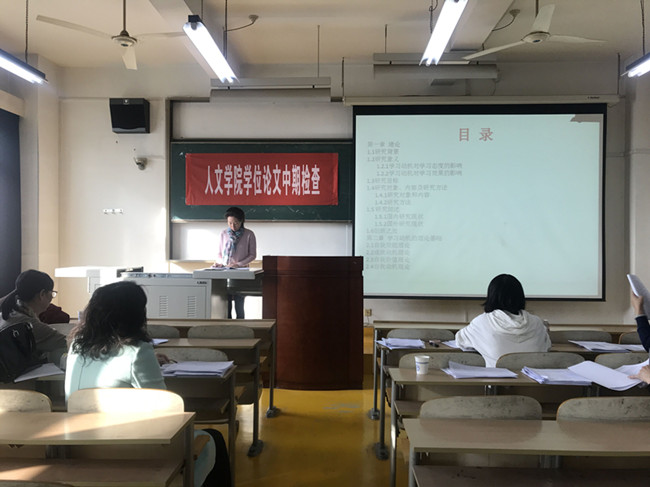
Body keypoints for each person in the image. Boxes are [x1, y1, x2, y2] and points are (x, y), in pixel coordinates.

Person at [65, 281, 231, 487]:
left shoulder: (76, 346)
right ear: (135, 314)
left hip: (82, 445)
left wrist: (150, 360)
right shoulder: (137, 351)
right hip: (131, 446)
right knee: (213, 439)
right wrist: (147, 360)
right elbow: (166, 412)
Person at [455, 274, 551, 367]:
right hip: (531, 377)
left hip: (497, 377)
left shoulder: (482, 322)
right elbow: (547, 346)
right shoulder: (537, 323)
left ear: (491, 296)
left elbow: (460, 341)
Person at [0, 269, 68, 366]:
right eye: (52, 293)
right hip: (20, 375)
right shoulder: (28, 324)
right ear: (42, 294)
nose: (52, 298)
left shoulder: (8, 313)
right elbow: (69, 344)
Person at [212, 206, 257, 319]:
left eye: (236, 223)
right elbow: (219, 253)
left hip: (240, 273)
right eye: (230, 223)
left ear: (242, 221)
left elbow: (252, 255)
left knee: (239, 303)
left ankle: (240, 325)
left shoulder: (249, 234)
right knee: (225, 303)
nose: (233, 226)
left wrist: (238, 264)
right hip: (224, 272)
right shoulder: (223, 234)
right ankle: (227, 326)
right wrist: (221, 263)